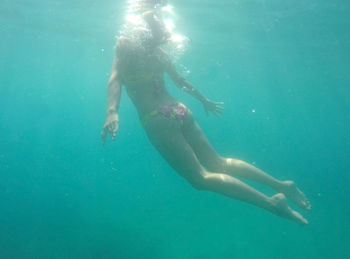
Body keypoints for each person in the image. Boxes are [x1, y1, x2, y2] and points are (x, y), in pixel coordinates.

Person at [101, 7, 310, 225]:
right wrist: (204, 100)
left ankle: (272, 203)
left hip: (156, 118)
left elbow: (115, 79)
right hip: (179, 109)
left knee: (199, 178)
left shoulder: (125, 46)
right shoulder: (160, 54)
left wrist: (112, 112)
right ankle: (280, 184)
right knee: (217, 162)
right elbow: (180, 81)